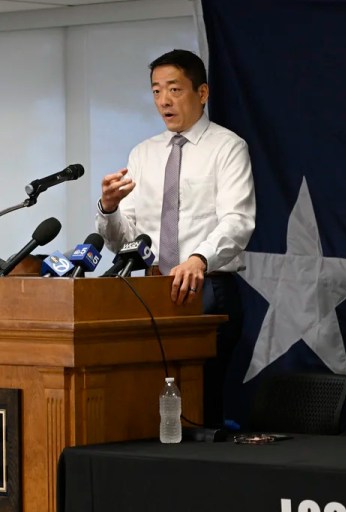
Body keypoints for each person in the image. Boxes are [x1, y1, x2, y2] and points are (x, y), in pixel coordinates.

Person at [95, 49, 256, 426]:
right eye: (155, 91)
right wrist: (108, 208)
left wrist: (198, 258)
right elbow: (125, 242)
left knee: (199, 401)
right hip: (150, 291)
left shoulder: (228, 147)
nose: (163, 101)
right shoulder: (143, 154)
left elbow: (238, 221)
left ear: (202, 93)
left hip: (207, 289)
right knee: (151, 398)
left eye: (174, 89)